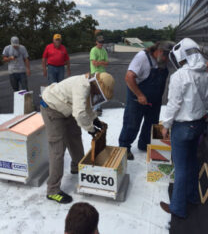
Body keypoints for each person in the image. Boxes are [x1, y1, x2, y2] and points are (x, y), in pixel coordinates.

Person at [40, 72, 115, 204]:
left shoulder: (90, 86)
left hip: (67, 108)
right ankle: (52, 190)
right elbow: (80, 114)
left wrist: (95, 119)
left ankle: (77, 167)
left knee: (75, 137)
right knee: (57, 149)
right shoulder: (83, 86)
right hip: (51, 108)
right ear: (98, 85)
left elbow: (86, 106)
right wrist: (91, 129)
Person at [160, 38, 208, 219]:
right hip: (199, 124)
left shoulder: (179, 76)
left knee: (181, 168)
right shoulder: (206, 74)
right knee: (191, 163)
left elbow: (173, 104)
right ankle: (192, 197)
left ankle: (177, 208)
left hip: (182, 128)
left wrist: (166, 125)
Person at [119, 41, 174, 160]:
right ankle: (124, 147)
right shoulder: (142, 58)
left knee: (151, 123)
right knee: (132, 123)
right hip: (137, 97)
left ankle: (144, 145)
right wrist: (139, 95)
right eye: (166, 57)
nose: (167, 60)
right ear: (159, 52)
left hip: (155, 99)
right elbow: (128, 77)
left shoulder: (163, 60)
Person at [90, 35, 108, 115]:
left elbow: (106, 63)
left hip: (103, 72)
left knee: (101, 91)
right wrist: (102, 62)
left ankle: (98, 107)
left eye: (102, 42)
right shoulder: (93, 50)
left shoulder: (104, 50)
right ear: (96, 42)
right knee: (97, 91)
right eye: (100, 42)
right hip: (95, 72)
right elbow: (94, 63)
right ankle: (96, 109)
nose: (101, 43)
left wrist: (99, 62)